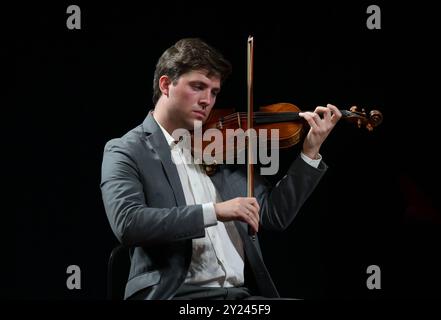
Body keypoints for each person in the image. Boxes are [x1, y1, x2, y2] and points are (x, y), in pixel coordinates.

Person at [101, 38, 341, 300]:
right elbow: (128, 223)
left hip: (239, 297)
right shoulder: (126, 149)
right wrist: (215, 211)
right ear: (166, 85)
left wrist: (310, 151)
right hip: (176, 295)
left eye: (214, 92)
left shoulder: (218, 148)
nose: (207, 100)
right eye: (198, 87)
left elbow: (273, 215)